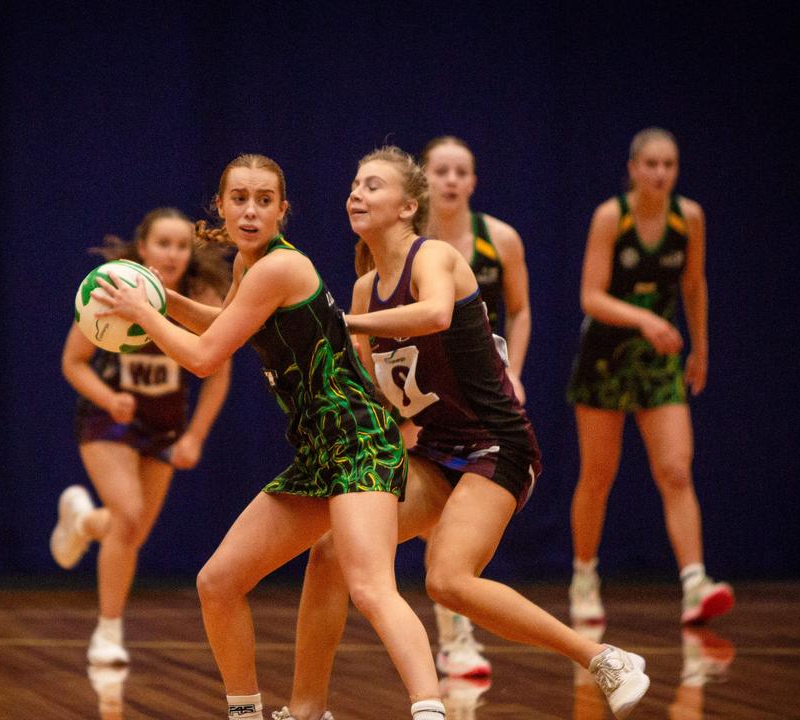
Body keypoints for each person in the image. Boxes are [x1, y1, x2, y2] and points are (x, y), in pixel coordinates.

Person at [277, 147, 650, 720]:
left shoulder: (437, 258)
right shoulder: (361, 290)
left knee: (447, 580)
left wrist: (344, 324)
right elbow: (369, 387)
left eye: (372, 185)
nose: (356, 192)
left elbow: (434, 316)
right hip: (431, 449)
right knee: (331, 551)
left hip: (497, 444)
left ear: (407, 207)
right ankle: (306, 710)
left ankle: (603, 658)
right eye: (353, 183)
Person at [93, 154, 445, 720]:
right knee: (218, 582)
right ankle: (248, 713)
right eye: (239, 199)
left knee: (371, 586)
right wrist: (159, 301)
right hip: (318, 452)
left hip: (360, 440)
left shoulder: (280, 268)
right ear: (221, 206)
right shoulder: (247, 268)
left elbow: (207, 359)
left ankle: (431, 710)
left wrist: (144, 311)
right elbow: (223, 325)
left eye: (263, 200)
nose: (250, 211)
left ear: (283, 210)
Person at [49, 207, 232, 666]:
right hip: (108, 420)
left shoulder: (199, 295)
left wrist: (195, 436)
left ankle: (85, 523)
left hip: (164, 426)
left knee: (130, 531)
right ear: (143, 248)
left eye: (181, 245)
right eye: (163, 243)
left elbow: (220, 372)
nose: (172, 253)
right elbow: (73, 362)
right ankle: (107, 633)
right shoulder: (114, 285)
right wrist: (108, 399)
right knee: (128, 516)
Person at [566, 127, 732, 626]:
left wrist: (700, 348)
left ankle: (695, 584)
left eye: (670, 165)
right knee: (598, 477)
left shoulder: (690, 218)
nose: (661, 173)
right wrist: (644, 320)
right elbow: (591, 297)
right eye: (651, 164)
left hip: (661, 360)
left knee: (676, 470)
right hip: (606, 357)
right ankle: (584, 575)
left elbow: (694, 284)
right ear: (634, 168)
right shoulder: (610, 217)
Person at [419, 135, 534, 678]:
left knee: (463, 520)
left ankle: (457, 624)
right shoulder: (411, 242)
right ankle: (453, 632)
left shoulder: (500, 239)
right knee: (429, 510)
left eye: (460, 171)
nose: (450, 180)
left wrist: (513, 370)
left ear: (472, 181)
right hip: (429, 394)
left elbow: (521, 310)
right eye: (440, 170)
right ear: (423, 179)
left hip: (485, 394)